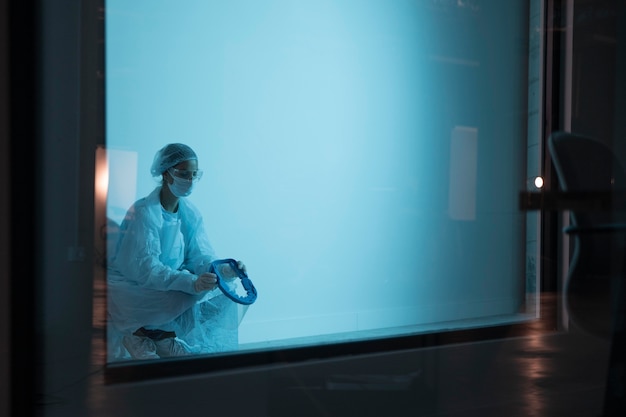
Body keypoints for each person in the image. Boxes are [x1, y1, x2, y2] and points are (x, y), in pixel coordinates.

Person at [107, 143, 246, 360]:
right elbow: (146, 269)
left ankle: (161, 337)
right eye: (183, 174)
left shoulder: (190, 213)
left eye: (193, 175)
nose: (189, 181)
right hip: (134, 286)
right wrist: (190, 282)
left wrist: (224, 270)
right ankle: (136, 334)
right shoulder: (145, 212)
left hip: (166, 280)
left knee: (223, 290)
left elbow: (200, 255)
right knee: (177, 298)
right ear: (166, 173)